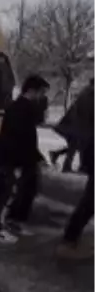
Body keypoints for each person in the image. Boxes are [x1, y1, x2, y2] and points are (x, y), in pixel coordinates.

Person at [0, 74, 50, 238]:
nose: (42, 97)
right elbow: (23, 137)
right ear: (33, 91)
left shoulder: (17, 107)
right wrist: (35, 157)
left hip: (21, 157)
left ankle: (13, 223)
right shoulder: (22, 109)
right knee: (20, 192)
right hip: (20, 158)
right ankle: (11, 224)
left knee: (24, 191)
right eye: (41, 93)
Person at [59, 79, 95, 258]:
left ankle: (69, 239)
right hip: (93, 151)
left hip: (90, 151)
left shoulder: (87, 93)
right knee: (90, 202)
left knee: (90, 201)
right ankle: (69, 240)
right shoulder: (91, 96)